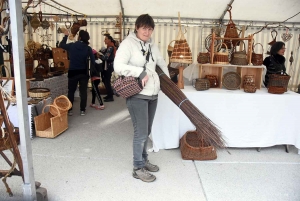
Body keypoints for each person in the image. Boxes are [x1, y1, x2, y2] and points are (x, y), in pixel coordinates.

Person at [114, 14, 170, 182]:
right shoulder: (127, 44)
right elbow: (118, 66)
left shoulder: (152, 45)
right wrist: (140, 72)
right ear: (137, 27)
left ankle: (144, 160)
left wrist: (168, 83)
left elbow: (160, 62)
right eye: (144, 28)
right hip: (137, 93)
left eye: (150, 28)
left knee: (147, 131)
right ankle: (137, 167)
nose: (147, 31)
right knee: (140, 132)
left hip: (152, 94)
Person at [59, 29, 95, 116]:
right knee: (83, 92)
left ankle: (70, 110)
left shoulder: (72, 46)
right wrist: (91, 73)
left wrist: (66, 36)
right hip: (83, 72)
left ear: (79, 37)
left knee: (71, 91)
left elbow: (61, 45)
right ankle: (82, 110)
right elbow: (93, 61)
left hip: (72, 72)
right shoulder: (88, 48)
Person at [101, 35, 117, 102]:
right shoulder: (110, 47)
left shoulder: (110, 48)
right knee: (105, 80)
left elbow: (105, 58)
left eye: (106, 39)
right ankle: (109, 94)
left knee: (107, 80)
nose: (104, 40)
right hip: (109, 66)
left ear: (109, 40)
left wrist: (100, 56)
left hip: (108, 66)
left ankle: (110, 96)